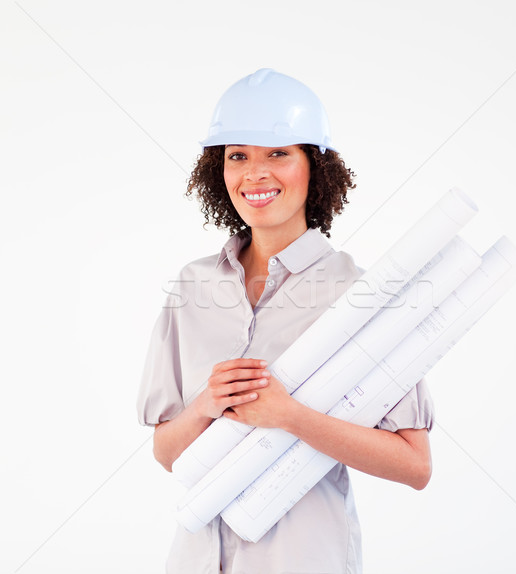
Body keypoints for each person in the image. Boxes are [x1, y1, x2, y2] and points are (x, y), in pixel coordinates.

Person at [137, 68, 434, 574]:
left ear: (314, 167)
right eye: (238, 156)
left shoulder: (362, 295)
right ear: (219, 170)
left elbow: (415, 464)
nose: (255, 174)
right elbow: (167, 453)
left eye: (278, 153)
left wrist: (291, 416)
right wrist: (207, 405)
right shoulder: (191, 287)